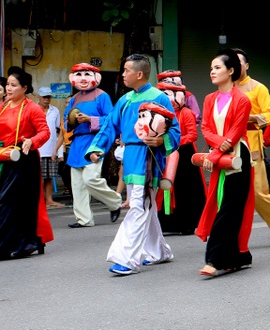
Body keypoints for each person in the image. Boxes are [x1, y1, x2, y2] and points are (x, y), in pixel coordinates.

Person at [86, 54, 180, 275]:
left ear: (139, 74)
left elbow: (175, 131)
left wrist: (159, 140)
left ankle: (127, 259)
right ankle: (160, 252)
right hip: (130, 155)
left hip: (149, 156)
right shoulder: (125, 99)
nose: (123, 74)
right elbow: (110, 125)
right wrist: (97, 147)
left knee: (138, 205)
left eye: (127, 70)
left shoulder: (160, 97)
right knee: (146, 206)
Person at [195, 49, 255, 277]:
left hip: (238, 157)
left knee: (230, 208)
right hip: (219, 158)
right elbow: (206, 129)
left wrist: (216, 153)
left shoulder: (242, 99)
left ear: (231, 71)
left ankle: (214, 259)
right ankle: (238, 256)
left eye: (217, 67)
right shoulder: (210, 98)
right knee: (221, 204)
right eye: (211, 68)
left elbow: (237, 131)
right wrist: (216, 153)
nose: (212, 71)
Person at [234, 49, 270, 247]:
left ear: (247, 65)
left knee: (257, 191)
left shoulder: (258, 88)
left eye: (239, 61)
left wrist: (249, 118)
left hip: (251, 144)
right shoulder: (225, 87)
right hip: (228, 144)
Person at [0, 67, 54, 259]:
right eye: (7, 84)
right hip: (5, 156)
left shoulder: (32, 108)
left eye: (13, 85)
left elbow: (44, 132)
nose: (8, 88)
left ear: (24, 88)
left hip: (24, 158)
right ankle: (21, 242)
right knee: (9, 202)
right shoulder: (4, 106)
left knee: (13, 202)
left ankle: (12, 245)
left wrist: (32, 141)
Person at [64, 63, 123, 228]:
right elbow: (65, 120)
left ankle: (115, 201)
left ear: (96, 77)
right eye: (79, 74)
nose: (83, 78)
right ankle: (84, 219)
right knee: (77, 184)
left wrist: (90, 119)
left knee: (90, 179)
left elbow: (111, 120)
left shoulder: (102, 96)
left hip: (95, 141)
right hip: (77, 142)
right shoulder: (74, 99)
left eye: (87, 74)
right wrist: (72, 121)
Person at [156, 81, 206, 235]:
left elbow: (192, 135)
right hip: (167, 154)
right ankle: (168, 224)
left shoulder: (187, 113)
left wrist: (171, 141)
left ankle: (188, 223)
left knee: (186, 190)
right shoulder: (161, 115)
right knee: (166, 188)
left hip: (184, 156)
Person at [37, 87, 64, 208]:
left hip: (51, 149)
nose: (46, 100)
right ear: (39, 97)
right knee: (37, 177)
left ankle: (49, 200)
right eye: (44, 97)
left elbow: (59, 131)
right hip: (37, 149)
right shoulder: (34, 109)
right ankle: (39, 201)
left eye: (48, 97)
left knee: (49, 176)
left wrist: (59, 152)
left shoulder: (55, 111)